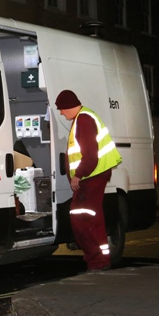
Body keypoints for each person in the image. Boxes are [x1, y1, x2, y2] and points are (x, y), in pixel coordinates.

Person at [55, 90, 122, 272]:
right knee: (90, 219)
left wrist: (78, 175)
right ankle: (99, 260)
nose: (61, 113)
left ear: (68, 106)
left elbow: (90, 155)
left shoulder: (83, 120)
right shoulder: (84, 118)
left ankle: (97, 261)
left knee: (82, 220)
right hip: (92, 178)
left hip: (90, 178)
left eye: (61, 109)